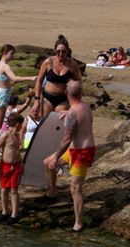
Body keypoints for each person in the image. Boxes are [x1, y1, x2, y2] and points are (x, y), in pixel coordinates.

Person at [43, 80, 95, 231]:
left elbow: (67, 138)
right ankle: (52, 192)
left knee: (75, 187)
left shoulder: (73, 113)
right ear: (81, 93)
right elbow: (78, 115)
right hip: (75, 150)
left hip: (83, 152)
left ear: (67, 94)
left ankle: (78, 223)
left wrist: (56, 155)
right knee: (47, 163)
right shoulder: (84, 106)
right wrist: (67, 112)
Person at [0, 44, 36, 153]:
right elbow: (14, 78)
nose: (13, 56)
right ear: (5, 53)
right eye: (11, 53)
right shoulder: (5, 66)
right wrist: (30, 77)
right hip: (2, 95)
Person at [30, 37, 82, 120]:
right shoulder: (48, 62)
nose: (61, 54)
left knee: (59, 124)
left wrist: (76, 102)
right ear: (55, 51)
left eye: (63, 52)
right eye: (58, 51)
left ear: (68, 51)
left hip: (63, 99)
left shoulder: (73, 65)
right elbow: (39, 80)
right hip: (47, 98)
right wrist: (36, 100)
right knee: (44, 123)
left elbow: (78, 82)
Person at [0, 112, 25, 225]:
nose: (21, 126)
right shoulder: (6, 135)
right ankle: (4, 211)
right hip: (5, 165)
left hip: (16, 165)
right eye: (21, 124)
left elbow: (17, 151)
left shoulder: (18, 135)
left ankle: (14, 214)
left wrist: (22, 165)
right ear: (17, 124)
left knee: (14, 190)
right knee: (4, 189)